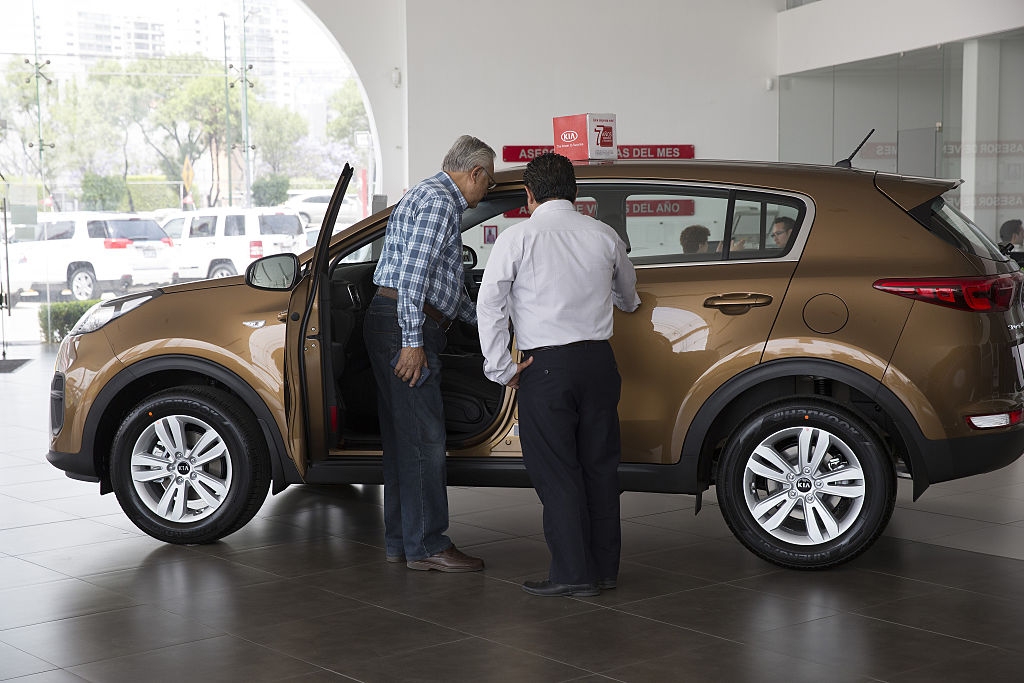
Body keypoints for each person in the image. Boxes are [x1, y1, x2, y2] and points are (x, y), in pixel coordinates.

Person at [476, 153, 640, 597]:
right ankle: (604, 570)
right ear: (575, 192)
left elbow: (490, 305)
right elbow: (629, 296)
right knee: (600, 468)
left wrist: (501, 368)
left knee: (557, 471)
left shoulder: (517, 238)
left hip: (545, 368)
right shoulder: (603, 234)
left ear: (529, 195)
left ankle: (572, 574)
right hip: (599, 364)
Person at [363, 134, 496, 572]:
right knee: (424, 441)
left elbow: (446, 290)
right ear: (475, 173)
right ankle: (428, 545)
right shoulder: (440, 203)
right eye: (489, 180)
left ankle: (403, 542)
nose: (489, 189)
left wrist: (488, 322)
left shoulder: (430, 195)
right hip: (406, 323)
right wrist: (412, 340)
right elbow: (413, 278)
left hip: (398, 319)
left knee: (404, 442)